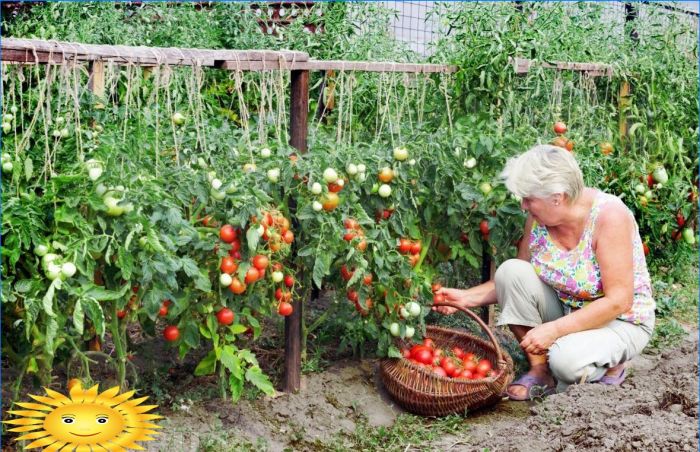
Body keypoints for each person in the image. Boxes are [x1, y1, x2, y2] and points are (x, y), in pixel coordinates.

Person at [433, 145, 655, 401]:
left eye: (528, 198)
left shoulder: (609, 217)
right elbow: (515, 281)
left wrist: (554, 330)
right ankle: (540, 370)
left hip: (620, 321)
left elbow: (619, 301)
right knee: (511, 271)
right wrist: (465, 298)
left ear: (557, 197)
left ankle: (611, 364)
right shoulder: (540, 218)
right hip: (568, 309)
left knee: (565, 361)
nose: (523, 205)